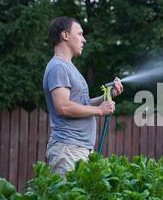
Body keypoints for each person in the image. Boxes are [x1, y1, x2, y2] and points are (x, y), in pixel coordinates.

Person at [43, 16, 123, 175]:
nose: (84, 40)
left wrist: (107, 96)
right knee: (66, 199)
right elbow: (63, 107)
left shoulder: (68, 67)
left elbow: (82, 103)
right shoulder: (58, 67)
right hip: (68, 150)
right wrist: (100, 111)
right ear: (65, 35)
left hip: (78, 149)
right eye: (79, 34)